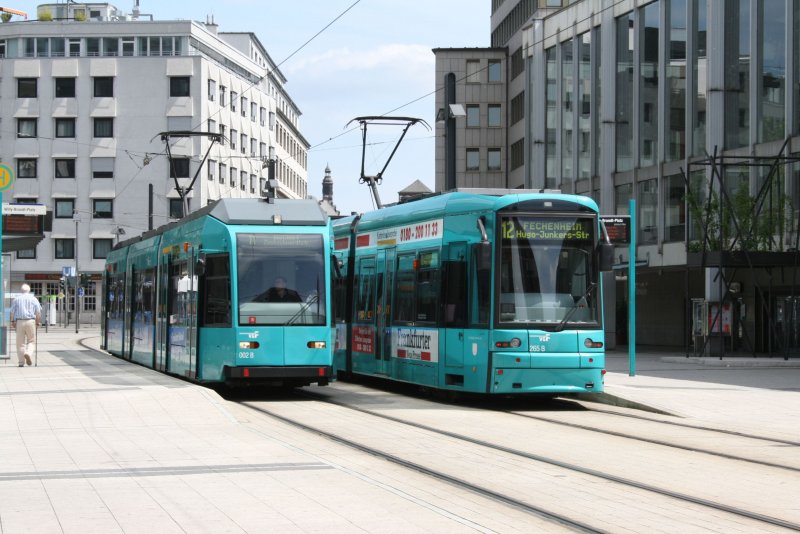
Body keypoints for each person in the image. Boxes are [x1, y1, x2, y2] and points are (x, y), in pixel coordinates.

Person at [9, 284, 42, 367]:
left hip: (19, 322)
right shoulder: (34, 299)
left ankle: (21, 362)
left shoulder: (16, 299)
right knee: (31, 341)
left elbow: (12, 312)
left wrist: (12, 321)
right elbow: (38, 313)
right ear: (29, 290)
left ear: (21, 290)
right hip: (31, 321)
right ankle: (28, 353)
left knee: (20, 343)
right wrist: (37, 322)